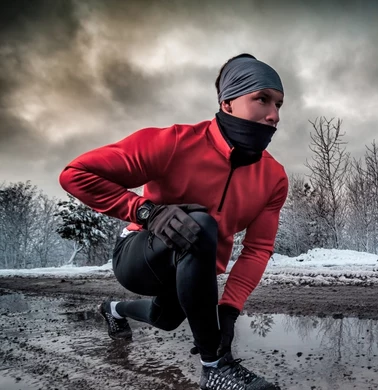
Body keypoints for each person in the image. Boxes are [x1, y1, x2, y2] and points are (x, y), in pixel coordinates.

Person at [59, 53, 288, 390]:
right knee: (199, 222)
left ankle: (114, 309)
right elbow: (76, 174)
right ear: (227, 103)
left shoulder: (273, 177)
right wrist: (146, 211)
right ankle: (215, 367)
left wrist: (229, 308)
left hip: (194, 266)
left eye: (279, 104)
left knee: (163, 319)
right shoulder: (175, 143)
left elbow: (257, 250)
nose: (274, 115)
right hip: (139, 254)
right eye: (262, 99)